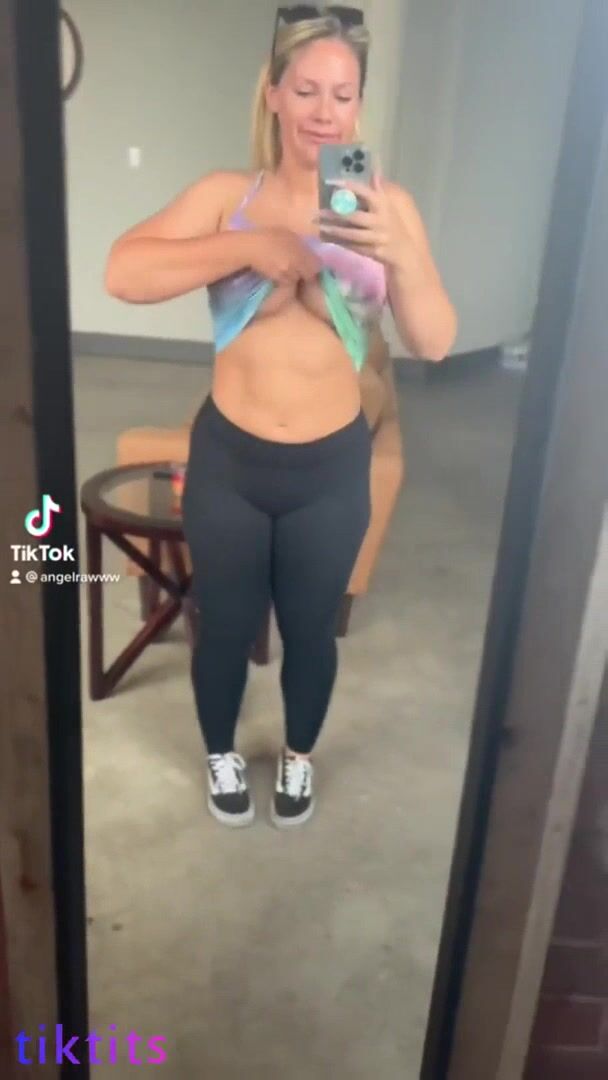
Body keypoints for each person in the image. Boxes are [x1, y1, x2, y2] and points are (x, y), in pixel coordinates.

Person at [104, 5, 457, 830]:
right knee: (223, 627)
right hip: (230, 462)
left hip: (329, 471)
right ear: (272, 93)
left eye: (342, 94)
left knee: (310, 631)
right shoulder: (228, 197)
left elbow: (436, 340)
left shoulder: (385, 207)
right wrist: (247, 247)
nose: (324, 112)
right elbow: (124, 272)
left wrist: (400, 249)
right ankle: (220, 753)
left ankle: (299, 756)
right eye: (306, 90)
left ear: (359, 104)